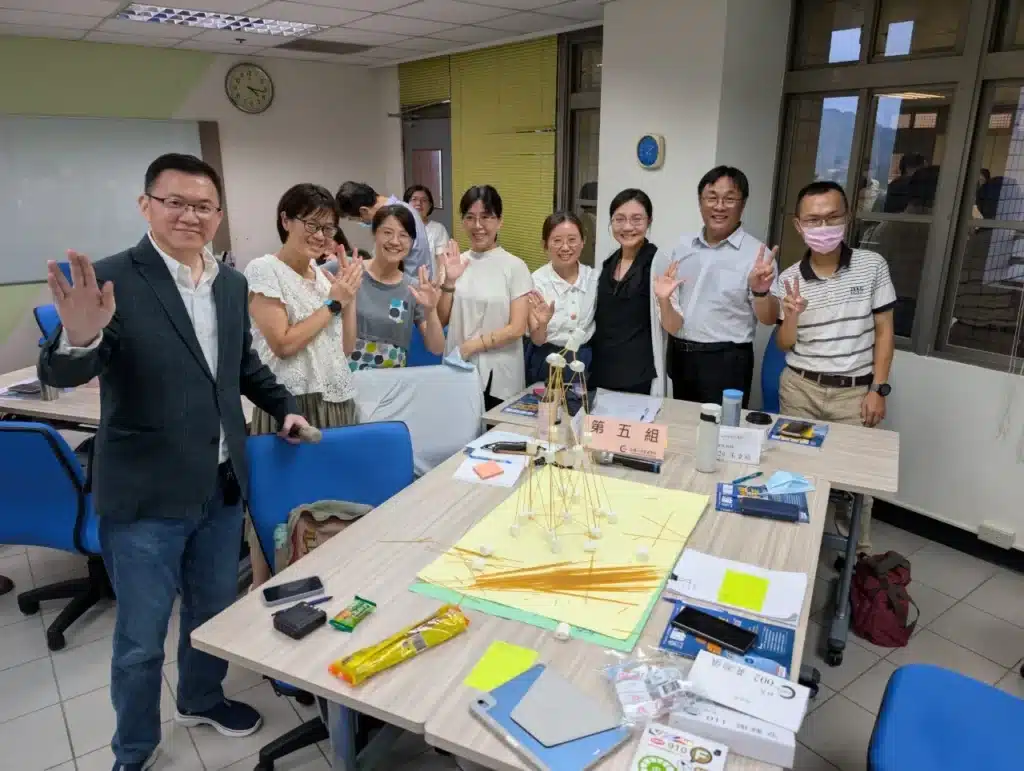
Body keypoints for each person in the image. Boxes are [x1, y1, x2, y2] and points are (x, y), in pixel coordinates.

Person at [37, 153, 311, 771]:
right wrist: (77, 338)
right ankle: (133, 749)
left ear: (219, 215)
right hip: (144, 496)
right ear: (146, 206)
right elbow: (59, 372)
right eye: (175, 202)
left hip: (219, 485)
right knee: (139, 639)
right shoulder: (111, 280)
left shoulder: (231, 284)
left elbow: (243, 368)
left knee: (213, 611)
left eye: (203, 205)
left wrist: (285, 406)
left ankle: (200, 696)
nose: (190, 215)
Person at [244, 183, 363, 587]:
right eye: (312, 224)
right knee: (278, 506)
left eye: (328, 229)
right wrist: (333, 302)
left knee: (329, 506)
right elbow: (283, 343)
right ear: (285, 221)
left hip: (335, 399)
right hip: (291, 403)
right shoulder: (264, 270)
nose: (320, 236)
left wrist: (347, 297)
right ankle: (261, 592)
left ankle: (326, 582)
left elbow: (345, 348)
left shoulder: (319, 276)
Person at [773, 180, 896, 554]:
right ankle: (792, 545)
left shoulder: (872, 266)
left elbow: (884, 331)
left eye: (831, 218)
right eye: (813, 220)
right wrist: (791, 316)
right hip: (800, 388)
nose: (822, 228)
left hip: (855, 394)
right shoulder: (789, 279)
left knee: (856, 483)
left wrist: (878, 389)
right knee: (794, 471)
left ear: (846, 218)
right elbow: (784, 343)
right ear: (798, 225)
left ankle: (857, 558)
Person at [654, 166, 778, 406]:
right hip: (680, 355)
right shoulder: (681, 248)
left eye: (729, 199)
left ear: (742, 204)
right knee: (683, 428)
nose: (719, 206)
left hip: (726, 362)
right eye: (711, 198)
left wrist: (760, 291)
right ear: (700, 202)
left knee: (723, 436)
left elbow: (769, 318)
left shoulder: (758, 255)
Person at [437, 185, 532, 409]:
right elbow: (441, 319)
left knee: (496, 440)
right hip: (457, 369)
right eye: (470, 217)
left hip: (499, 374)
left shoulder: (515, 267)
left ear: (499, 221)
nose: (477, 226)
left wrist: (471, 347)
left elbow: (517, 328)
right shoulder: (453, 262)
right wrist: (448, 282)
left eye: (486, 217)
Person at [589, 189, 668, 396]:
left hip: (637, 376)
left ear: (649, 221)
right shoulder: (608, 262)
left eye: (636, 219)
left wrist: (665, 299)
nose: (627, 227)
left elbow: (673, 326)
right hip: (601, 370)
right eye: (619, 219)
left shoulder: (658, 263)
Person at [349, 204, 446, 370]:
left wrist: (431, 310)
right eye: (387, 232)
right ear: (374, 233)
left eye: (404, 235)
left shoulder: (414, 288)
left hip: (392, 385)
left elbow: (436, 348)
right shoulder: (348, 271)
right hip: (345, 380)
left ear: (412, 242)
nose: (395, 241)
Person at [525, 211, 596, 386]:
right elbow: (537, 340)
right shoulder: (535, 282)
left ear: (582, 242)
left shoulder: (595, 279)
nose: (565, 247)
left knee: (583, 410)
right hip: (546, 359)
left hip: (585, 359)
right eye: (557, 241)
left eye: (572, 240)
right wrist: (542, 323)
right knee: (547, 411)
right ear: (545, 245)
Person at [336, 181, 432, 280]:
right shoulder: (402, 208)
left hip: (407, 286)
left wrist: (342, 262)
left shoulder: (394, 218)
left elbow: (383, 265)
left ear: (364, 211)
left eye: (354, 219)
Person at [404, 184, 450, 258]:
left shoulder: (438, 229)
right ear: (406, 204)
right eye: (414, 199)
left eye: (424, 200)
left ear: (430, 205)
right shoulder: (400, 228)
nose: (418, 203)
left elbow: (442, 261)